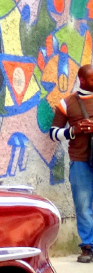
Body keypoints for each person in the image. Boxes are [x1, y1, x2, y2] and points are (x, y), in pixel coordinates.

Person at [50, 63, 93, 262]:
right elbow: (53, 133)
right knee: (83, 205)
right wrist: (73, 131)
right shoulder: (66, 104)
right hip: (80, 161)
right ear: (82, 80)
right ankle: (88, 247)